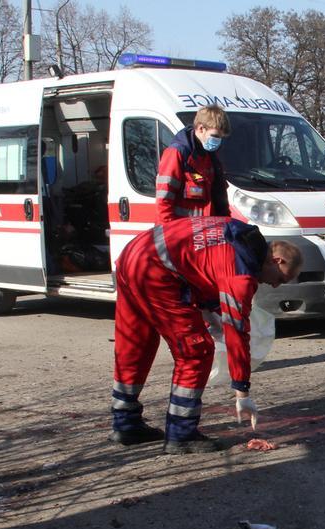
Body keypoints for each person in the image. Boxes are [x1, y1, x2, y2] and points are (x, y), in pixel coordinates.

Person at [109, 216, 302, 454]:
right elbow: (237, 333)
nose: (276, 286)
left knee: (136, 341)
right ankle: (181, 434)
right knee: (196, 351)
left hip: (134, 254)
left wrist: (208, 311)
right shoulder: (241, 274)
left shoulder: (238, 233)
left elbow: (200, 264)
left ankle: (125, 423)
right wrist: (242, 391)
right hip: (155, 271)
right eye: (281, 278)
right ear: (277, 260)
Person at [156, 104, 232, 222]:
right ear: (201, 128)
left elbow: (220, 198)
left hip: (204, 232)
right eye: (215, 136)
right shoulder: (177, 153)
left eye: (220, 137)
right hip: (180, 232)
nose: (218, 141)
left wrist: (227, 227)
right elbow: (164, 201)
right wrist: (170, 234)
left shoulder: (211, 157)